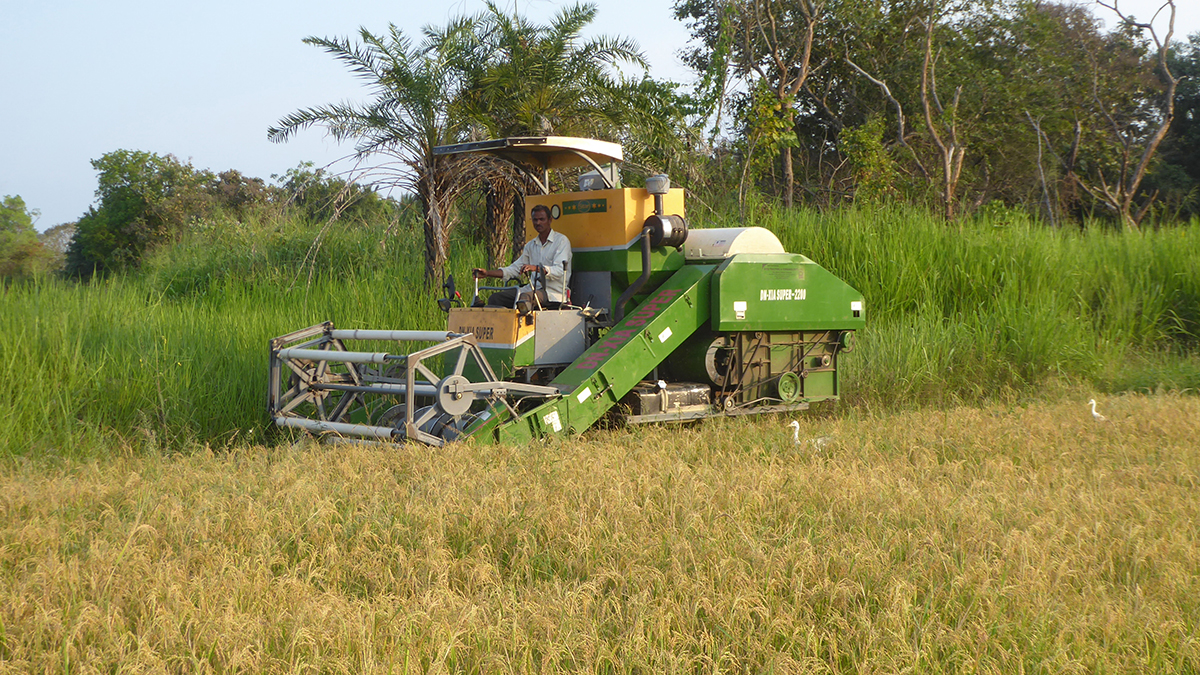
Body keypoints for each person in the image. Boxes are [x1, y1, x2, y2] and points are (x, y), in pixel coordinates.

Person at [472, 204, 571, 311]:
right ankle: (502, 326)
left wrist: (536, 268)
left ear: (550, 220)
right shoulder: (531, 245)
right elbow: (514, 269)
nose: (538, 223)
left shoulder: (561, 241)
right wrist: (487, 273)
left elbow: (560, 270)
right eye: (535, 220)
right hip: (531, 289)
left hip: (553, 293)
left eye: (542, 219)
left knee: (526, 297)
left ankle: (525, 326)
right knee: (496, 298)